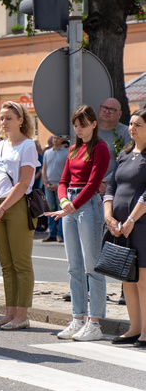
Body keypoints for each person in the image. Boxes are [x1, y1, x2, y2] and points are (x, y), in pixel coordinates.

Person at [53, 106, 111, 341]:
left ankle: (94, 323)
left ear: (94, 124)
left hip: (88, 207)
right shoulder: (73, 149)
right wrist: (64, 201)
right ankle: (77, 318)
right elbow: (63, 180)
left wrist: (73, 205)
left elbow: (93, 183)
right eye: (76, 125)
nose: (78, 129)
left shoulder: (100, 148)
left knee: (92, 267)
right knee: (74, 267)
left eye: (83, 125)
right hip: (70, 205)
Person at [0, 101, 40, 330]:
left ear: (20, 120)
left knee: (21, 263)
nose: (4, 122)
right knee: (6, 265)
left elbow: (24, 182)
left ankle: (22, 315)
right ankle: (9, 313)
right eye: (2, 118)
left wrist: (2, 208)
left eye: (8, 118)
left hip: (16, 206)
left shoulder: (28, 145)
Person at [104, 108, 146, 345]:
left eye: (138, 124)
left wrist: (131, 220)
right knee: (127, 279)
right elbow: (111, 186)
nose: (131, 128)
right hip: (119, 226)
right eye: (130, 124)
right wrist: (109, 217)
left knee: (143, 280)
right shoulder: (125, 154)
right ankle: (134, 328)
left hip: (141, 226)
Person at [96, 97, 131, 188]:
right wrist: (92, 182)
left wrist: (106, 183)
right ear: (99, 109)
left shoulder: (127, 133)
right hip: (88, 185)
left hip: (113, 187)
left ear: (119, 114)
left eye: (112, 110)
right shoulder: (90, 131)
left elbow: (126, 162)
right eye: (104, 108)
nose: (107, 112)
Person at [42, 136, 67, 243]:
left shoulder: (66, 152)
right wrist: (46, 183)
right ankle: (52, 233)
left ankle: (60, 234)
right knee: (50, 210)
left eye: (58, 138)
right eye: (54, 138)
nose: (55, 140)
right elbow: (44, 169)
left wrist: (59, 184)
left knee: (61, 209)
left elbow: (67, 170)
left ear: (62, 140)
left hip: (61, 185)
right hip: (49, 185)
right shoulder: (47, 153)